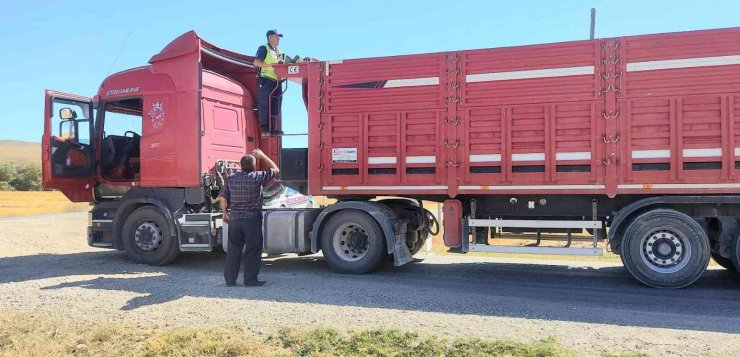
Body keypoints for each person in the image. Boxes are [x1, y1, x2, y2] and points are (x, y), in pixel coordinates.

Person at [219, 148, 280, 286]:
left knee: (233, 250)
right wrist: (263, 155)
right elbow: (276, 170)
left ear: (240, 165)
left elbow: (223, 196)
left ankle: (230, 280)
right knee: (253, 250)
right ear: (253, 166)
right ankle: (250, 280)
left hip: (235, 220)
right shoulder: (258, 176)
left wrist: (225, 213)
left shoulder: (231, 178)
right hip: (252, 220)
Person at [253, 29, 288, 136]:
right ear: (269, 37)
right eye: (276, 36)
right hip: (266, 79)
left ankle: (272, 129)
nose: (278, 39)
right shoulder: (264, 48)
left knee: (276, 105)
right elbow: (256, 62)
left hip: (277, 81)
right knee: (264, 104)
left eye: (279, 37)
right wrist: (273, 64)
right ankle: (265, 129)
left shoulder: (280, 52)